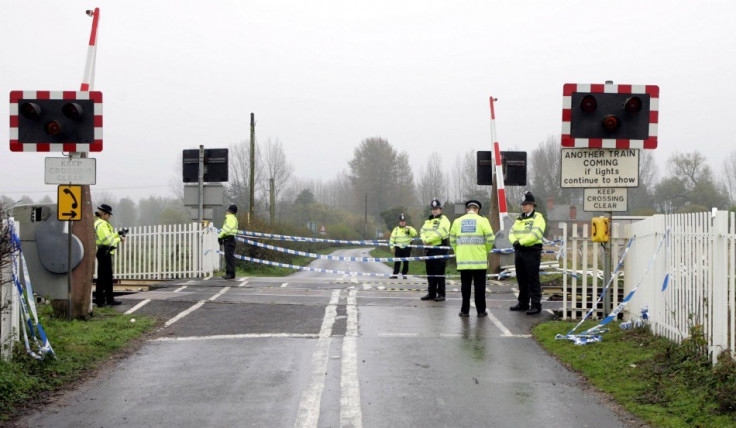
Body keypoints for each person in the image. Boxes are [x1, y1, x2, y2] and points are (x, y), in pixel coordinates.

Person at [450, 200, 495, 317]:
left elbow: (452, 240)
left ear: (467, 209)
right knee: (480, 288)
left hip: (463, 261)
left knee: (465, 288)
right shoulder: (483, 221)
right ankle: (481, 311)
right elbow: (490, 239)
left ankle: (465, 311)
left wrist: (458, 252)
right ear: (477, 209)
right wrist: (486, 251)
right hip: (479, 261)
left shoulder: (457, 222)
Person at [509, 191, 547, 315]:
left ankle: (536, 305)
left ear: (532, 205)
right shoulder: (519, 218)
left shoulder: (538, 218)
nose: (523, 206)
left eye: (526, 204)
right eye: (522, 204)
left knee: (532, 278)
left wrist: (520, 242)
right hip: (520, 251)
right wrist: (515, 242)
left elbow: (535, 234)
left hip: (531, 251)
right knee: (521, 279)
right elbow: (511, 232)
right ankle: (523, 303)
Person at [419, 199, 451, 301]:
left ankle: (441, 294)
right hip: (429, 249)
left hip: (439, 249)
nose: (434, 211)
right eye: (433, 209)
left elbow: (440, 233)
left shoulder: (444, 220)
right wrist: (424, 240)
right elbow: (422, 231)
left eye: (436, 209)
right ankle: (431, 293)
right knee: (430, 273)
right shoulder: (428, 221)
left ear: (440, 209)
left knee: (439, 273)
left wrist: (428, 240)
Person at [94, 204, 124, 307]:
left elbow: (107, 237)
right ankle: (105, 301)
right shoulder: (102, 224)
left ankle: (103, 300)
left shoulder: (99, 223)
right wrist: (120, 239)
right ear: (104, 214)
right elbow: (108, 241)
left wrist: (117, 234)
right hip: (104, 252)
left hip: (103, 252)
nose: (109, 217)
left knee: (104, 278)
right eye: (109, 214)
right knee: (105, 278)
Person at [389, 213, 417, 279]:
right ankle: (395, 274)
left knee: (406, 262)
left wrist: (409, 229)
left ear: (405, 222)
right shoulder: (396, 229)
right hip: (398, 248)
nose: (402, 223)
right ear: (399, 222)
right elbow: (392, 239)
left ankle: (404, 274)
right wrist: (392, 247)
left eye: (403, 221)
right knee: (397, 262)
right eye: (401, 221)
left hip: (407, 248)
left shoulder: (409, 228)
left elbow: (415, 234)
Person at [218, 204, 239, 279]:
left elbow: (227, 229)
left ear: (230, 211)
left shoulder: (230, 218)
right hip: (230, 239)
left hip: (229, 240)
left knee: (229, 257)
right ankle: (229, 273)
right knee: (228, 256)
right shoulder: (233, 218)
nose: (226, 211)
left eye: (228, 210)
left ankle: (230, 273)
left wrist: (220, 236)